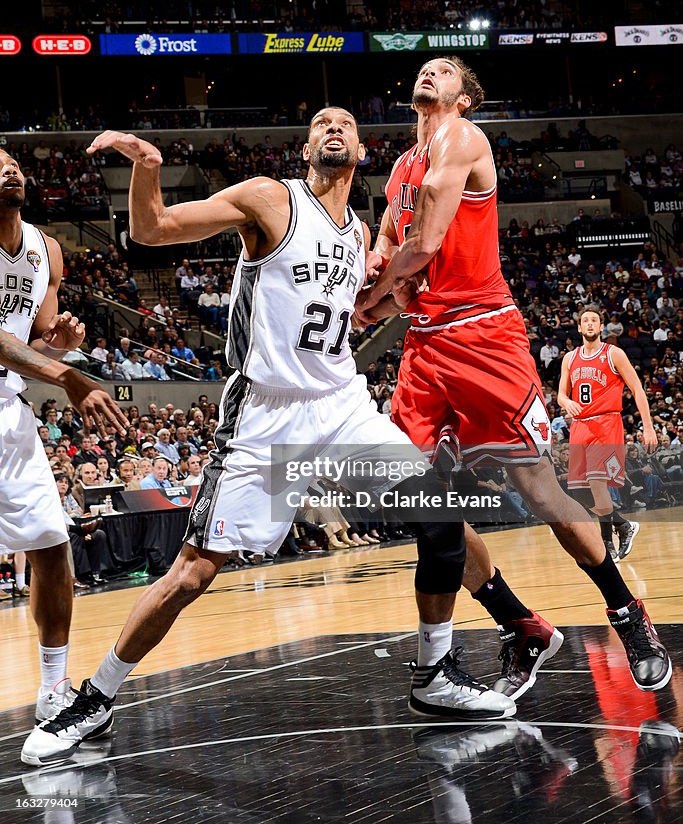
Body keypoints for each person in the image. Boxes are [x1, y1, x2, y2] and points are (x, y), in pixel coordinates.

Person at [21, 108, 518, 767]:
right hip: (266, 413)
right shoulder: (271, 198)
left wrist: (402, 293)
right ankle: (97, 696)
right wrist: (145, 168)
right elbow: (152, 228)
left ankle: (435, 675)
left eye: (345, 121)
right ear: (307, 146)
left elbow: (360, 310)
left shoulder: (357, 231)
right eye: (320, 122)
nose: (333, 126)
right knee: (194, 569)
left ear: (363, 149)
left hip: (340, 404)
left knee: (438, 509)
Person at [357, 56, 671, 707]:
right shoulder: (398, 168)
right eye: (425, 67)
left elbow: (421, 247)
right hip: (425, 347)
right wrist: (370, 286)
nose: (430, 73)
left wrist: (364, 300)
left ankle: (626, 613)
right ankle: (521, 625)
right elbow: (387, 257)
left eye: (444, 70)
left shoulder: (463, 140)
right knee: (423, 500)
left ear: (465, 97)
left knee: (540, 491)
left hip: (483, 336)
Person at [0, 150, 127, 739]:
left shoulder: (44, 249)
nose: (9, 169)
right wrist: (70, 376)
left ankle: (53, 688)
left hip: (7, 409)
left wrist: (62, 344)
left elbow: (35, 345)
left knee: (52, 545)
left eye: (12, 162)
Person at [558, 307, 651, 562]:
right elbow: (561, 394)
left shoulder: (614, 354)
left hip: (606, 424)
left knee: (598, 483)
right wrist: (567, 403)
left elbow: (637, 388)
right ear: (579, 328)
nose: (589, 324)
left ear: (601, 328)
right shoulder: (570, 358)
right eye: (585, 320)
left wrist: (649, 426)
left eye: (594, 321)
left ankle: (607, 545)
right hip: (579, 426)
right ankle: (623, 525)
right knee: (578, 492)